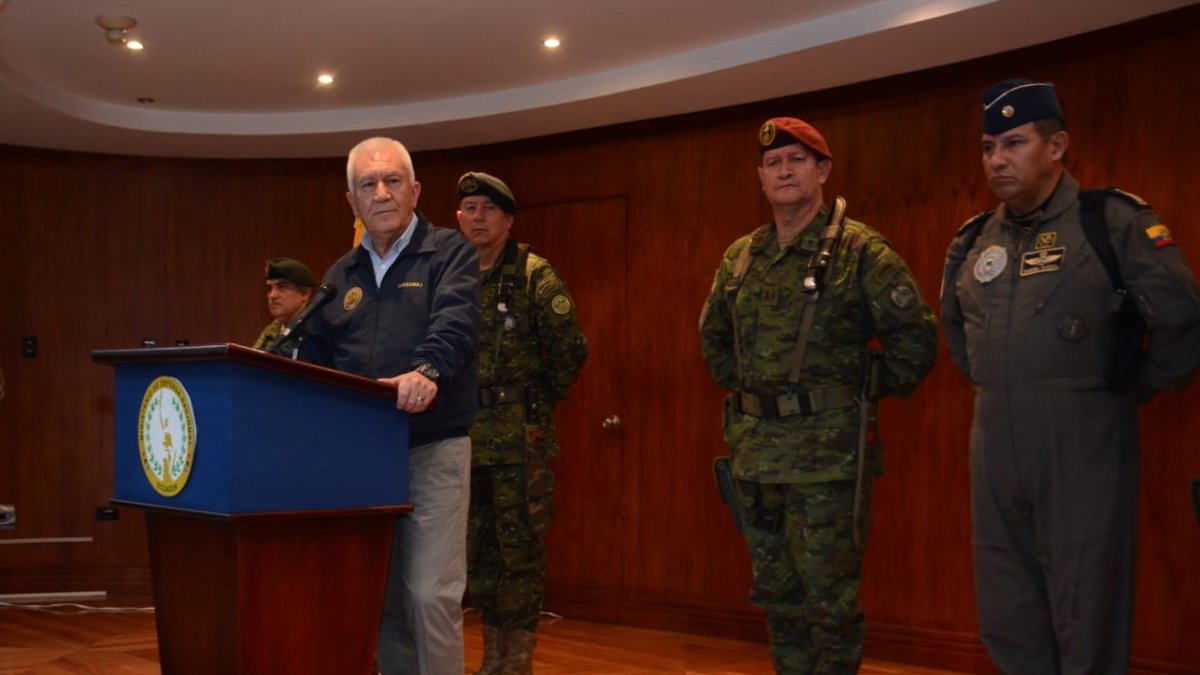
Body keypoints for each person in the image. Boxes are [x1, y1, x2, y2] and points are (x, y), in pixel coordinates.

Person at [940, 79, 1200, 674]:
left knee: (1087, 599)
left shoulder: (1109, 220)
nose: (997, 160)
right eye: (987, 147)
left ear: (1057, 147)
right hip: (994, 438)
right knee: (1006, 601)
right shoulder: (974, 240)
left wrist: (1132, 389)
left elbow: (1182, 316)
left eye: (1013, 142)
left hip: (1084, 435)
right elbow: (957, 331)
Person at [699, 117, 937, 673]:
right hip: (757, 456)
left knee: (830, 603)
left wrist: (858, 400)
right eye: (773, 163)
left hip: (828, 463)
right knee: (778, 597)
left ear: (823, 170)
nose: (784, 171)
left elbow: (915, 339)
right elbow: (713, 338)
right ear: (760, 178)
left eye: (797, 160)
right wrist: (755, 398)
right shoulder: (742, 255)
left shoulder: (860, 251)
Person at [298, 137, 481, 675]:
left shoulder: (450, 252)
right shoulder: (339, 277)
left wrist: (426, 371)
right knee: (383, 599)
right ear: (351, 202)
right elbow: (314, 357)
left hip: (432, 446)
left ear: (415, 190)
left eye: (393, 181)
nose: (381, 194)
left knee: (429, 595)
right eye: (368, 185)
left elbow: (456, 323)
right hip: (362, 456)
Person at [455, 172, 587, 675]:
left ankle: (518, 664)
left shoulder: (534, 274)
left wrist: (533, 401)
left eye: (489, 209)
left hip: (518, 442)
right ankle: (492, 660)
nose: (478, 218)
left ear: (508, 220)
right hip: (465, 439)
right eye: (470, 208)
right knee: (479, 556)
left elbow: (572, 349)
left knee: (520, 555)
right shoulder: (453, 278)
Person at [251, 257, 318, 352]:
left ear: (305, 294)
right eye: (269, 288)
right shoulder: (272, 330)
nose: (272, 295)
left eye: (282, 287)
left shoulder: (315, 332)